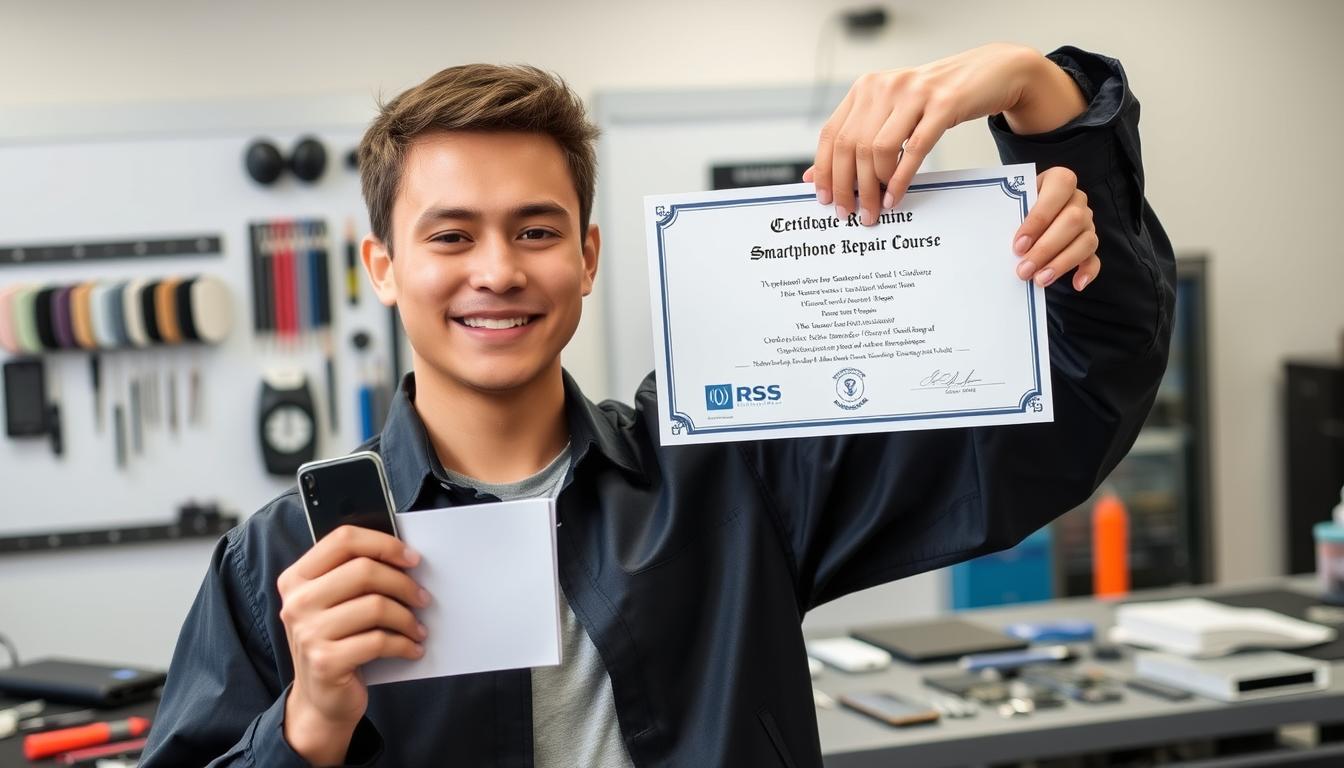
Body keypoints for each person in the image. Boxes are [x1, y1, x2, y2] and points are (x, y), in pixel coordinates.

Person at [141, 42, 1173, 767]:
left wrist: (1037, 95)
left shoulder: (731, 473)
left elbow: (1085, 393)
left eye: (536, 232)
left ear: (588, 259)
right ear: (381, 266)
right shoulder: (283, 563)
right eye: (451, 236)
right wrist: (309, 722)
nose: (496, 271)